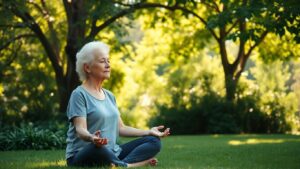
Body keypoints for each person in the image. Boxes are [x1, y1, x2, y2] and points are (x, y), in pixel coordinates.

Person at [65, 41, 170, 168]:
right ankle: (127, 164)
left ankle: (117, 164)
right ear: (87, 68)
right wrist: (92, 138)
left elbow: (121, 128)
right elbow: (80, 129)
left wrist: (149, 132)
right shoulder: (79, 94)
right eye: (102, 61)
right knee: (97, 148)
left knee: (154, 142)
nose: (108, 65)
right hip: (83, 154)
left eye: (108, 61)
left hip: (111, 152)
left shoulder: (109, 96)